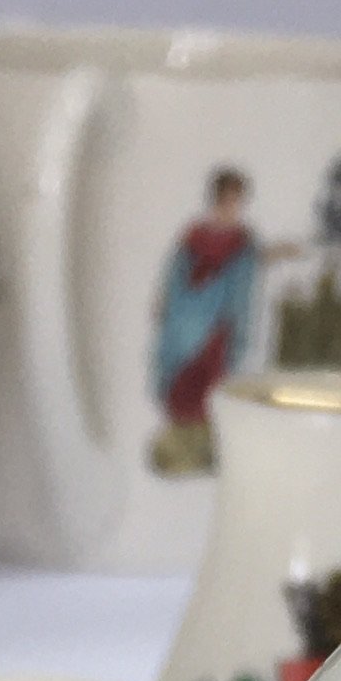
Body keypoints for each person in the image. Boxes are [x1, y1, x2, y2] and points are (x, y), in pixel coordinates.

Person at [148, 168, 265, 474]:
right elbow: (176, 273)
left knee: (211, 383)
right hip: (187, 317)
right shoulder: (194, 236)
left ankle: (204, 447)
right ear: (218, 198)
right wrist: (166, 300)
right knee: (183, 380)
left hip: (218, 327)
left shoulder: (243, 241)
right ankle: (180, 445)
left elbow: (245, 281)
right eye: (230, 199)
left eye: (238, 200)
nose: (234, 206)